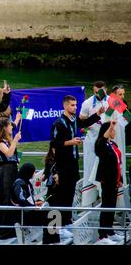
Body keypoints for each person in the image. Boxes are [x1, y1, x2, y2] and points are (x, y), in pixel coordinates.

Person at [51, 95, 104, 231]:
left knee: (70, 193)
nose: (75, 107)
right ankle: (60, 226)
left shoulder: (74, 120)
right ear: (65, 106)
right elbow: (55, 144)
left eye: (75, 105)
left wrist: (97, 114)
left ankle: (67, 221)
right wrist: (71, 142)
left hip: (73, 162)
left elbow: (85, 123)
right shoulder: (59, 123)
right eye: (72, 105)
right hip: (63, 163)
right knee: (62, 194)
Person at [0, 117, 21, 239]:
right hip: (5, 172)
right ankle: (3, 229)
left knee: (11, 197)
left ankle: (12, 226)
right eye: (10, 125)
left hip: (11, 170)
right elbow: (9, 153)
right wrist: (16, 140)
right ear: (5, 128)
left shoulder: (7, 140)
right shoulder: (1, 143)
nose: (12, 127)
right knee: (5, 198)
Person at [94, 120, 124, 244]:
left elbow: (118, 162)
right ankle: (102, 235)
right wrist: (109, 126)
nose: (114, 131)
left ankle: (110, 231)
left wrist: (120, 178)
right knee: (106, 206)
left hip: (115, 179)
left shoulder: (113, 144)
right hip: (106, 180)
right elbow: (101, 141)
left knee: (112, 206)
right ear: (107, 131)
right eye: (112, 130)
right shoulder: (100, 144)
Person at [79, 81, 108, 190]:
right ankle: (88, 195)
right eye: (95, 92)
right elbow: (81, 121)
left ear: (106, 89)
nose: (98, 94)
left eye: (100, 92)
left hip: (108, 139)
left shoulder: (113, 101)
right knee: (90, 167)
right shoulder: (87, 103)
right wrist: (86, 127)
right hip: (92, 139)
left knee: (106, 167)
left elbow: (126, 116)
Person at [109, 85, 127, 184]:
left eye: (123, 94)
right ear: (114, 95)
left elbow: (128, 119)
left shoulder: (121, 105)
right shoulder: (111, 105)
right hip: (114, 136)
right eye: (120, 94)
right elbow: (105, 121)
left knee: (122, 157)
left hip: (121, 135)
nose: (122, 96)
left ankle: (121, 181)